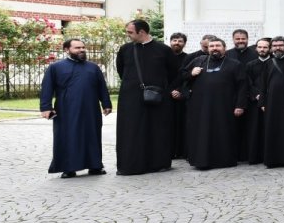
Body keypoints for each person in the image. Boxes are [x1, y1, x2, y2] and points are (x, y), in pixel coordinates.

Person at [40, 38, 112, 178]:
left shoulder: (93, 67)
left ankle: (95, 166)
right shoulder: (55, 67)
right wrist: (45, 107)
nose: (81, 50)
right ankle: (69, 168)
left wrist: (106, 104)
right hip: (66, 109)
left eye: (83, 47)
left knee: (92, 136)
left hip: (91, 108)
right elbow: (47, 88)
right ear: (67, 50)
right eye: (77, 48)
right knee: (68, 136)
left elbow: (102, 87)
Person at [115, 19, 176, 175]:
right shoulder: (125, 49)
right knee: (131, 130)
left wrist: (163, 89)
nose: (127, 34)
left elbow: (173, 73)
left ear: (141, 32)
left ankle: (158, 163)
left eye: (130, 32)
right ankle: (132, 165)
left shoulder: (163, 50)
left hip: (157, 97)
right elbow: (121, 71)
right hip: (130, 98)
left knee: (157, 129)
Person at [181, 37, 247, 171]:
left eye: (218, 46)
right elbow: (182, 76)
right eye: (211, 46)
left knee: (223, 132)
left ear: (224, 48)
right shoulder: (199, 61)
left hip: (224, 106)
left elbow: (242, 86)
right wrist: (191, 73)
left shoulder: (235, 64)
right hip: (200, 106)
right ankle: (201, 160)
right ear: (208, 48)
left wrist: (240, 105)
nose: (214, 48)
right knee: (201, 132)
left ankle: (224, 160)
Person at [261, 37, 284, 168]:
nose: (277, 48)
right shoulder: (269, 63)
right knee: (272, 129)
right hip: (272, 102)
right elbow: (263, 84)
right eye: (275, 45)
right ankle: (272, 160)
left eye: (280, 45)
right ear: (271, 48)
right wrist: (263, 103)